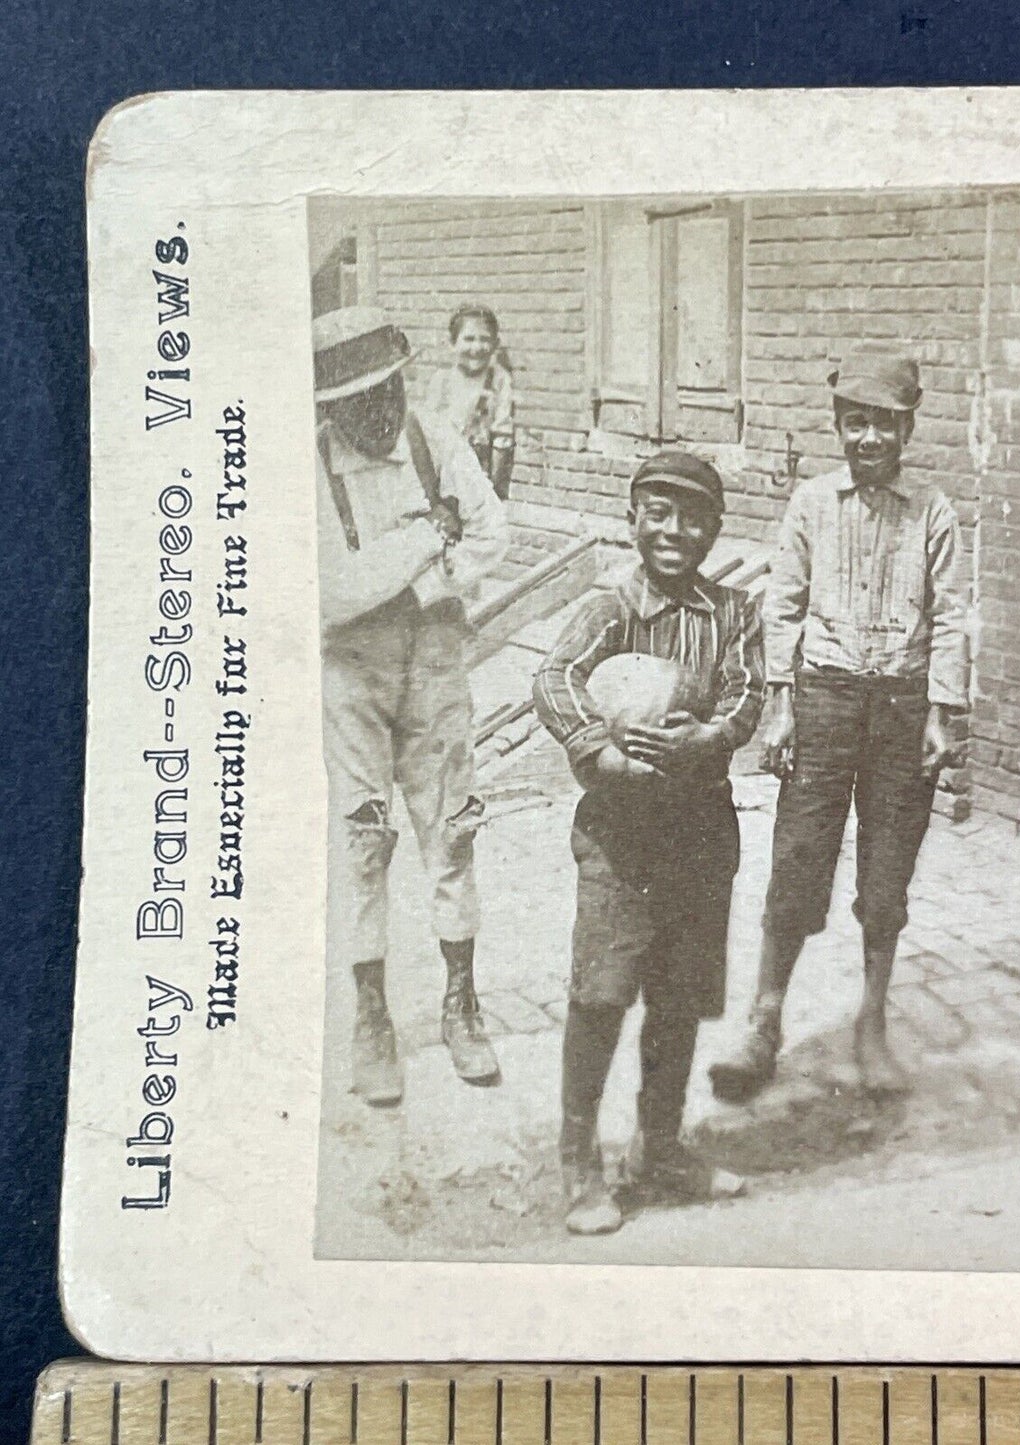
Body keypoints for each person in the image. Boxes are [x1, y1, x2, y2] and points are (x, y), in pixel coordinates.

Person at [708, 344, 970, 1104]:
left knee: (886, 873)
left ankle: (871, 1024)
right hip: (822, 699)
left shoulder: (933, 513)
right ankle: (763, 1020)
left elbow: (951, 617)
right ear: (837, 426)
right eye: (855, 423)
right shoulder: (811, 505)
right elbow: (781, 606)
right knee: (798, 857)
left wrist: (942, 714)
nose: (868, 439)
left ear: (907, 429)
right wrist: (783, 705)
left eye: (884, 424)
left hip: (901, 705)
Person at [532, 450, 764, 1235]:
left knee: (679, 996)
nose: (674, 530)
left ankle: (658, 1147)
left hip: (700, 829)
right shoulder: (610, 606)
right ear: (633, 518)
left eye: (693, 516)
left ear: (713, 529)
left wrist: (709, 734)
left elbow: (746, 691)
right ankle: (577, 1159)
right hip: (621, 836)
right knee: (601, 993)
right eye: (658, 512)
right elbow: (554, 677)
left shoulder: (732, 611)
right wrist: (599, 747)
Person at [314, 306, 509, 1106]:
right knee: (364, 844)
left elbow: (492, 531)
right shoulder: (312, 464)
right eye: (359, 399)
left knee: (451, 835)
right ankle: (371, 1019)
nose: (379, 412)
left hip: (433, 664)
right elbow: (333, 590)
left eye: (387, 390)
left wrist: (426, 576)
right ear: (330, 407)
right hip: (353, 677)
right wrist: (427, 537)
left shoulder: (432, 437)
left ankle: (461, 1006)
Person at [424, 304, 517, 500]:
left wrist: (494, 492)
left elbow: (503, 436)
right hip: (444, 474)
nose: (476, 347)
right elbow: (428, 434)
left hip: (480, 477)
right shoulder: (442, 380)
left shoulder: (499, 380)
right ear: (452, 343)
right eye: (468, 339)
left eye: (484, 339)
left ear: (495, 343)